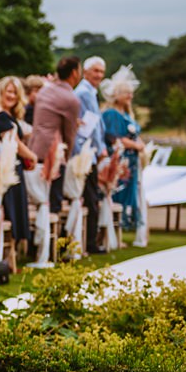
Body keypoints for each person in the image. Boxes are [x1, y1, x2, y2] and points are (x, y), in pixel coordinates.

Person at [31, 56, 83, 225]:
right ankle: (51, 243)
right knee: (53, 202)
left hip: (34, 148)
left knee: (36, 200)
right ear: (74, 73)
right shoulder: (70, 99)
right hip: (52, 154)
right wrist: (66, 157)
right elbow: (70, 133)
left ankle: (34, 244)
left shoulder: (45, 91)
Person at [0, 76, 38, 247]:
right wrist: (32, 156)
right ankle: (4, 255)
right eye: (9, 92)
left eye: (15, 93)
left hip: (13, 166)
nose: (12, 96)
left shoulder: (8, 114)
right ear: (1, 92)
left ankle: (11, 255)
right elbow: (13, 140)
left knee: (15, 210)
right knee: (9, 211)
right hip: (6, 168)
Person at [101, 66, 147, 230]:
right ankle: (115, 226)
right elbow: (114, 138)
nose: (130, 95)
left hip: (132, 161)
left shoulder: (128, 115)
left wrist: (140, 145)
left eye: (131, 92)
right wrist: (135, 145)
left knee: (131, 192)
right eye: (126, 92)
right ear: (116, 95)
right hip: (120, 160)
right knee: (118, 192)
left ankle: (125, 224)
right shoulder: (111, 114)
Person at [75, 56, 108, 254]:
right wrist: (100, 147)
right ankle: (90, 243)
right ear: (85, 72)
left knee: (91, 197)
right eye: (95, 71)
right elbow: (92, 124)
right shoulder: (84, 93)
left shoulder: (90, 92)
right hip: (87, 153)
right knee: (90, 198)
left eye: (101, 72)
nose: (99, 75)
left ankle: (89, 240)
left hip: (90, 152)